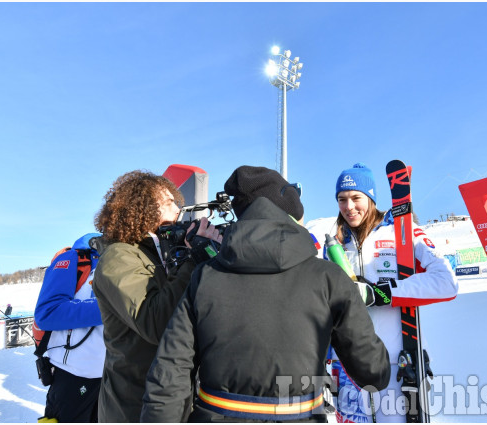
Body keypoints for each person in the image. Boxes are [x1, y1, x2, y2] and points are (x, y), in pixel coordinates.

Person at [141, 165, 391, 423]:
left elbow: (170, 375)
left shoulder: (204, 277)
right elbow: (374, 373)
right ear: (289, 208)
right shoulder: (330, 278)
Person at [327, 163, 459, 423]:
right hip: (350, 367)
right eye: (342, 199)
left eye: (356, 198)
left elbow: (446, 282)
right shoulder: (336, 245)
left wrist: (379, 294)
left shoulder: (401, 231)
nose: (349, 206)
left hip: (398, 364)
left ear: (371, 198)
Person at [92, 170, 222, 422]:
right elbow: (155, 322)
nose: (178, 209)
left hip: (171, 395)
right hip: (135, 405)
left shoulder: (157, 253)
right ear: (140, 207)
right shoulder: (118, 257)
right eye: (169, 202)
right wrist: (194, 259)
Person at [34, 233, 104, 423]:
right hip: (74, 376)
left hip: (116, 376)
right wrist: (109, 306)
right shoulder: (74, 258)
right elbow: (47, 313)